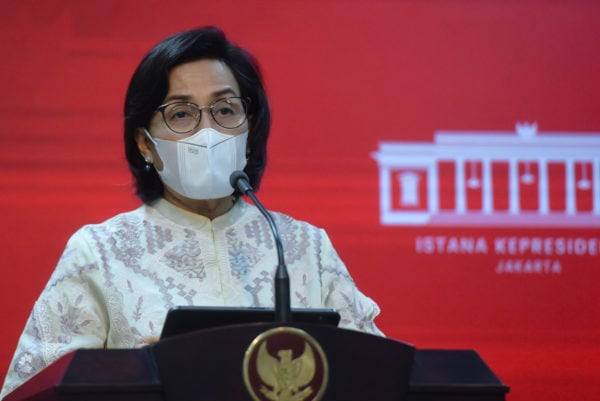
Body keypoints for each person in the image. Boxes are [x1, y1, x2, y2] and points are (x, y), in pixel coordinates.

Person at [0, 26, 383, 398]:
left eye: (225, 110)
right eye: (181, 114)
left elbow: (383, 375)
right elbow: (34, 389)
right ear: (144, 143)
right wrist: (136, 374)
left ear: (250, 129)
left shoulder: (304, 247)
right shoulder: (99, 252)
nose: (208, 131)